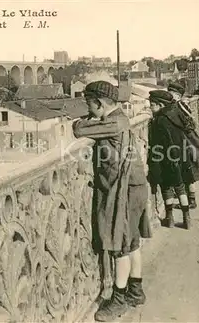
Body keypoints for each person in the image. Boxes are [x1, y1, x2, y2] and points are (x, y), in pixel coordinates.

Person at [72, 81, 151, 322]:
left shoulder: (112, 122)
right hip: (135, 186)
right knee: (132, 241)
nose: (88, 108)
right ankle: (135, 290)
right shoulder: (120, 118)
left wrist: (83, 121)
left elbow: (78, 129)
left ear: (99, 103)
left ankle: (118, 299)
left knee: (120, 246)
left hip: (125, 189)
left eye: (89, 104)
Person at [147, 90, 198, 229]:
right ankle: (187, 219)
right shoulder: (176, 114)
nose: (150, 107)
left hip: (167, 158)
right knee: (181, 187)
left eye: (152, 105)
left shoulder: (159, 120)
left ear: (160, 104)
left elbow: (158, 143)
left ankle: (169, 218)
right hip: (181, 155)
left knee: (166, 188)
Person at [167, 82, 199, 209]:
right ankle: (189, 198)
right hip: (190, 139)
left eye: (170, 94)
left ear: (177, 95)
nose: (168, 96)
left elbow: (186, 121)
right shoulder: (180, 105)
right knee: (189, 172)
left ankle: (191, 200)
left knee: (189, 171)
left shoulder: (179, 105)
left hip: (188, 140)